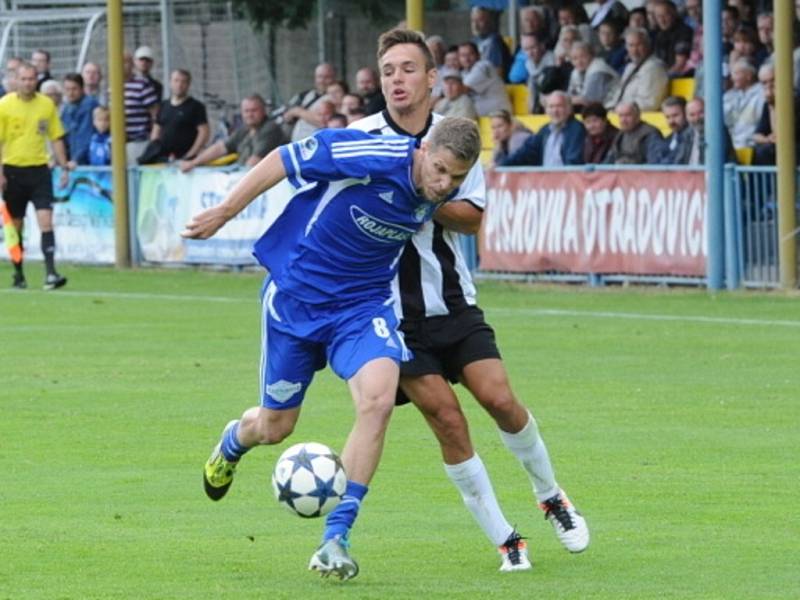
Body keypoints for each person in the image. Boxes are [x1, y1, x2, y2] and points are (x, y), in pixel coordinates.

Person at [188, 116, 482, 581]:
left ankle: (336, 538)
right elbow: (282, 159)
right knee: (274, 427)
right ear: (423, 149)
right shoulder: (371, 155)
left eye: (457, 179)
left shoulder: (434, 192)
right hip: (296, 302)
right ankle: (232, 442)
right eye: (440, 170)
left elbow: (465, 217)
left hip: (362, 309)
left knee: (378, 401)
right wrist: (224, 213)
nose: (444, 185)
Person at [352, 28, 589, 572]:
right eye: (388, 70)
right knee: (448, 419)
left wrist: (418, 191)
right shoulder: (360, 137)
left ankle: (552, 495)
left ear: (432, 78)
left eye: (408, 69)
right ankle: (507, 539)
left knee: (501, 401)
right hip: (393, 318)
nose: (397, 80)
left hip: (454, 304)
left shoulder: (453, 135)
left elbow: (473, 217)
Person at [0, 62, 71, 290]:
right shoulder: (5, 105)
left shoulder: (46, 105)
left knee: (46, 221)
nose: (28, 83)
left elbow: (56, 137)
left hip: (40, 170)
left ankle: (51, 273)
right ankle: (18, 274)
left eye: (32, 79)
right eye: (24, 79)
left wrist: (63, 167)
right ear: (16, 80)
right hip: (12, 171)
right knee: (16, 226)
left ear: (37, 79)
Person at [180, 94, 284, 171]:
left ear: (263, 111)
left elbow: (254, 162)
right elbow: (220, 148)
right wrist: (193, 163)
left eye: (254, 110)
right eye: (246, 111)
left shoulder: (270, 128)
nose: (250, 115)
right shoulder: (244, 129)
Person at [499, 91, 586, 166]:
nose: (555, 111)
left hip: (567, 182)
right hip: (546, 182)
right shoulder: (544, 130)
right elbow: (526, 152)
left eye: (559, 106)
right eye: (551, 107)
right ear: (546, 110)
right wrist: (501, 164)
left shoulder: (576, 129)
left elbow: (573, 160)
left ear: (569, 109)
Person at [144, 69, 209, 163]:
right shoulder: (163, 105)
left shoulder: (196, 106)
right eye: (176, 80)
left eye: (183, 82)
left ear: (188, 84)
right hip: (164, 160)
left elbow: (204, 133)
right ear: (170, 82)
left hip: (186, 161)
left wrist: (190, 156)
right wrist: (154, 152)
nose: (179, 85)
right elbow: (156, 129)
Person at [616, 27, 669, 111]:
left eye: (639, 45)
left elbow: (650, 103)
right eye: (631, 45)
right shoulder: (630, 67)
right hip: (625, 114)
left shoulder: (654, 67)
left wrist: (621, 108)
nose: (634, 50)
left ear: (648, 45)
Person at [284, 62, 336, 141]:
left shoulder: (335, 97)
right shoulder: (306, 95)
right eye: (320, 77)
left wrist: (298, 111)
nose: (322, 80)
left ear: (334, 78)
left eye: (327, 77)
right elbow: (286, 116)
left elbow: (323, 122)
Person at [122, 51, 159, 164]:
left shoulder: (142, 84)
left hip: (138, 141)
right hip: (118, 142)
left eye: (125, 62)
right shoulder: (111, 87)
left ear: (132, 64)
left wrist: (153, 139)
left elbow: (155, 113)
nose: (122, 66)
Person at [458, 41, 512, 117]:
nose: (467, 58)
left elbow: (459, 91)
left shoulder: (483, 66)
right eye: (463, 55)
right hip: (484, 115)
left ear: (478, 55)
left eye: (470, 54)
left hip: (500, 114)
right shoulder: (464, 73)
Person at [566, 41, 620, 109]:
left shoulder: (598, 70)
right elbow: (570, 95)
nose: (579, 61)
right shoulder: (576, 71)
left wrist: (567, 100)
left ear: (591, 55)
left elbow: (589, 100)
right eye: (575, 58)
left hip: (612, 109)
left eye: (582, 56)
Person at [723, 59, 764, 148]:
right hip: (732, 146)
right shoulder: (730, 95)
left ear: (749, 75)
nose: (732, 78)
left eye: (736, 73)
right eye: (732, 74)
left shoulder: (762, 93)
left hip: (753, 146)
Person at [61, 73, 99, 165]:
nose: (70, 93)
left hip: (88, 161)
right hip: (72, 161)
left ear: (82, 89)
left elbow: (86, 135)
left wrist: (76, 159)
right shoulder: (66, 109)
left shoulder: (89, 105)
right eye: (67, 89)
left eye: (74, 89)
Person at [470, 6, 512, 78]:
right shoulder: (474, 41)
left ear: (489, 22)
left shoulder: (494, 42)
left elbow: (498, 74)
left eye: (480, 20)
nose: (475, 25)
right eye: (473, 21)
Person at [656, 95, 693, 164]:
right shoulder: (667, 139)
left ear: (686, 113)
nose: (671, 121)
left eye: (675, 115)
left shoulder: (692, 137)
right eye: (667, 117)